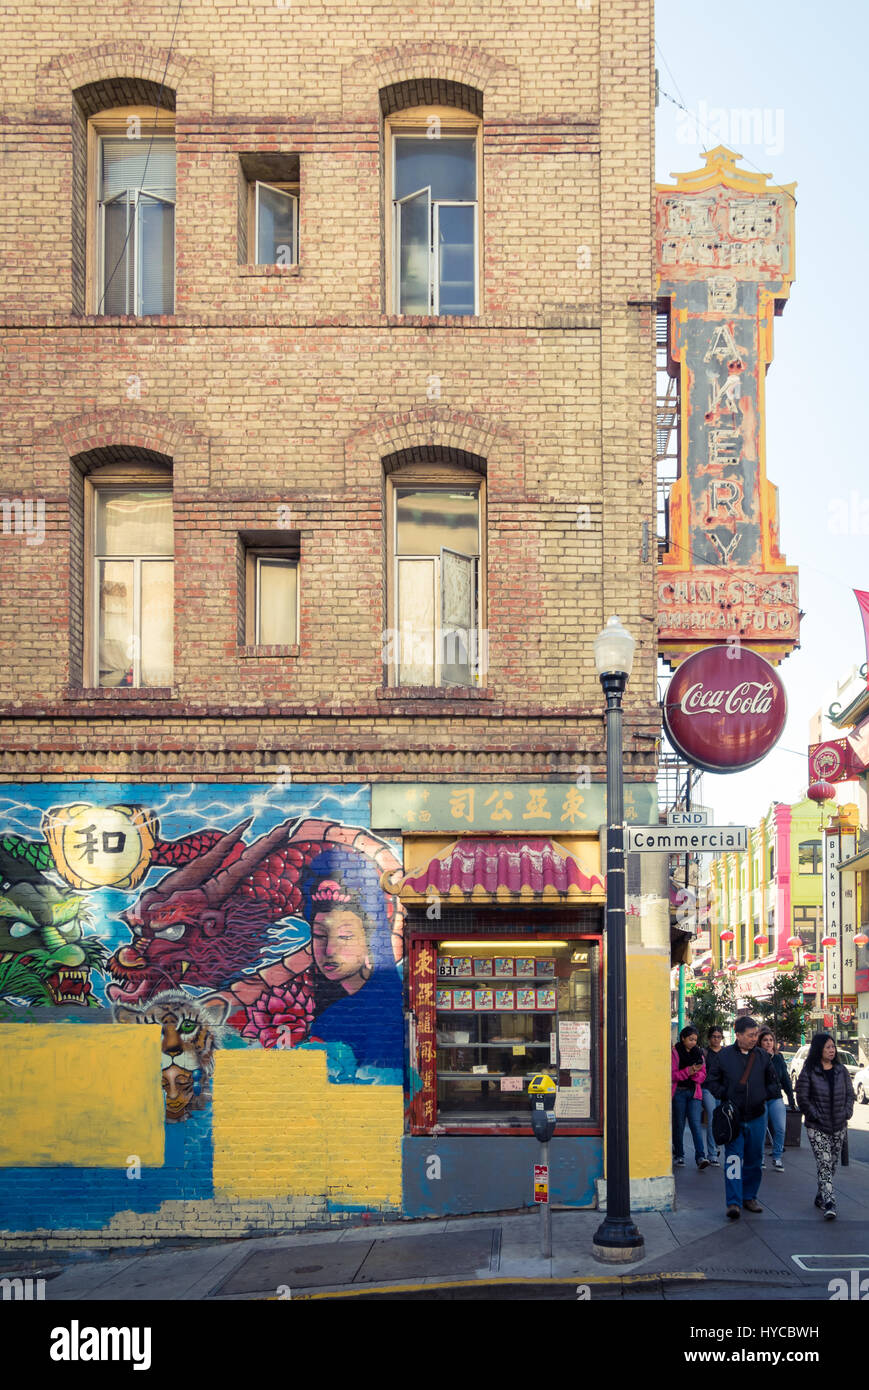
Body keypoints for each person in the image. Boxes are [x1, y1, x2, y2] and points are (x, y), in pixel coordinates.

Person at [299, 847, 404, 1074]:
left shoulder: (340, 1019)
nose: (329, 949)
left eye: (345, 936)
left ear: (370, 939)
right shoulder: (334, 1013)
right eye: (319, 934)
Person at [705, 1015, 780, 1219]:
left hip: (757, 1116)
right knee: (733, 1159)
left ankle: (750, 1197)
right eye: (750, 1035)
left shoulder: (763, 1057)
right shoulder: (725, 1056)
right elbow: (711, 1081)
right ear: (738, 1035)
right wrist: (724, 1094)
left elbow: (774, 1083)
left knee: (755, 1159)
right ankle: (733, 1202)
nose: (754, 1038)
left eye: (756, 1034)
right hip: (733, 1118)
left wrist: (764, 1095)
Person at [796, 1033, 855, 1220]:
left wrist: (847, 1111)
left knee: (830, 1164)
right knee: (824, 1162)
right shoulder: (809, 1071)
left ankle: (821, 1195)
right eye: (828, 1047)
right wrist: (815, 1115)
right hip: (817, 1126)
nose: (832, 1050)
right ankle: (830, 1202)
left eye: (833, 1047)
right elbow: (802, 1097)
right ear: (819, 1049)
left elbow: (850, 1095)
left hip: (838, 1125)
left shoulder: (841, 1070)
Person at [757, 1028, 795, 1172]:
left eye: (771, 1040)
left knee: (780, 1128)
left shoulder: (778, 1059)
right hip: (760, 1098)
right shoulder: (757, 1057)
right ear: (760, 1042)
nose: (768, 1043)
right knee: (760, 1130)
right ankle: (760, 1158)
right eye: (765, 1040)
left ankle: (777, 1157)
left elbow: (785, 1079)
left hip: (776, 1097)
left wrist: (791, 1098)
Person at [672, 1025, 708, 1169]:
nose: (693, 1042)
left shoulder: (698, 1053)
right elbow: (673, 1074)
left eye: (695, 1040)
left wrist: (695, 1076)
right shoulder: (675, 1052)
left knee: (695, 1124)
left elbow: (703, 1074)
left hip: (694, 1092)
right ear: (683, 1038)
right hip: (679, 1092)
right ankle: (679, 1155)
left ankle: (701, 1157)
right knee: (679, 1124)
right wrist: (689, 1071)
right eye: (690, 1039)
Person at [701, 1026, 725, 1165]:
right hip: (707, 1089)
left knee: (720, 1121)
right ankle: (711, 1154)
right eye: (714, 1036)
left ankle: (715, 1146)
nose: (716, 1039)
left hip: (722, 1090)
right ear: (709, 1038)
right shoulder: (704, 1052)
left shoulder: (726, 1053)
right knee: (712, 1118)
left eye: (719, 1037)